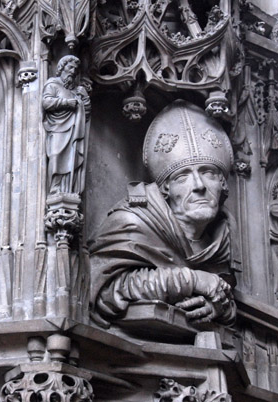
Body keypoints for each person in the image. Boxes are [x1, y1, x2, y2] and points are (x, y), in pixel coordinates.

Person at [90, 100, 239, 327]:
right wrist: (193, 279)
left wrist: (217, 307)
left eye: (208, 173)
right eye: (183, 177)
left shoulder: (224, 236)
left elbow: (226, 295)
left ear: (222, 184)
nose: (199, 185)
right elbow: (105, 292)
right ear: (166, 189)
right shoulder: (132, 221)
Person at [42, 55, 91, 195]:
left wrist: (85, 98)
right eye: (70, 67)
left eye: (75, 69)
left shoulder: (77, 91)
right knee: (56, 156)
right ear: (61, 68)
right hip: (57, 129)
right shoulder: (53, 85)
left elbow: (86, 114)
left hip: (74, 131)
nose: (73, 71)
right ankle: (55, 190)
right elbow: (46, 103)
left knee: (72, 161)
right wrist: (66, 103)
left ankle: (69, 190)